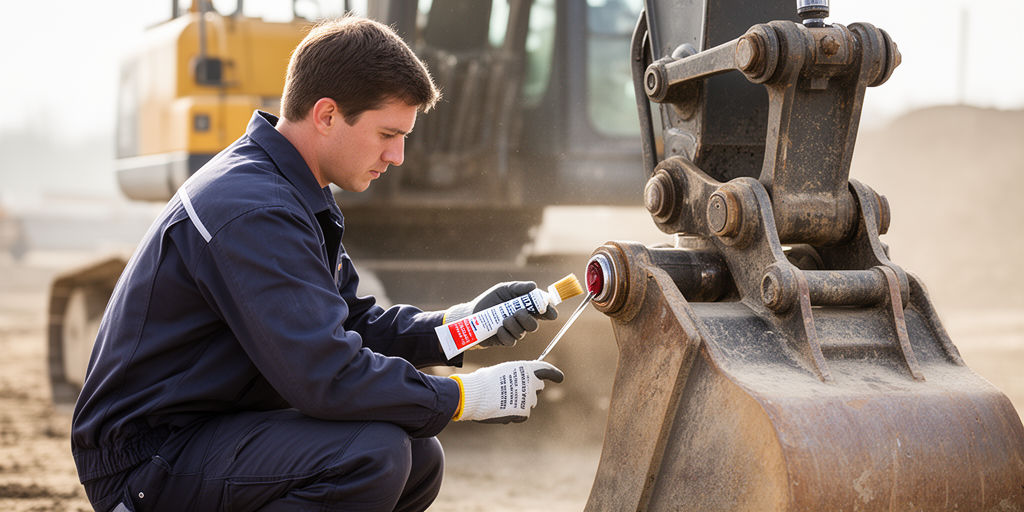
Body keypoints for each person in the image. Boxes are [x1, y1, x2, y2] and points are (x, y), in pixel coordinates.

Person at [71, 16, 564, 512]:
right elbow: (326, 377)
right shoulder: (253, 209)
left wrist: (465, 324)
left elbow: (354, 324)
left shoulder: (292, 193)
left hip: (206, 431)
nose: (398, 155)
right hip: (147, 460)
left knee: (417, 455)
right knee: (373, 455)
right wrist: (464, 397)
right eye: (388, 134)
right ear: (326, 115)